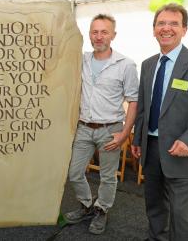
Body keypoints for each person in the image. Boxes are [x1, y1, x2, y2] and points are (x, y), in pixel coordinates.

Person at [131, 3, 188, 241]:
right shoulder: (148, 64)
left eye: (174, 23)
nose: (167, 28)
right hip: (151, 147)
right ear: (154, 30)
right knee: (154, 204)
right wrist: (137, 137)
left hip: (182, 150)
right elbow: (143, 107)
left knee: (181, 214)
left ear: (184, 29)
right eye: (161, 23)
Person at [64, 14, 139, 234]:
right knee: (75, 173)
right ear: (89, 35)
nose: (99, 36)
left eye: (104, 32)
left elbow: (133, 101)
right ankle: (87, 204)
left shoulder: (125, 65)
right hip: (84, 128)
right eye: (94, 32)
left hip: (111, 130)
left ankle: (102, 210)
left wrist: (125, 134)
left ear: (113, 35)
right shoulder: (81, 60)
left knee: (108, 176)